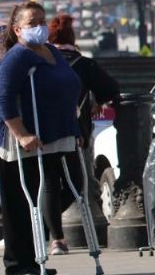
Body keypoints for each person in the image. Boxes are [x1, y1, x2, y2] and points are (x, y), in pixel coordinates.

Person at [0, 1, 82, 275]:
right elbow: (2, 99)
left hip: (47, 136)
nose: (39, 27)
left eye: (41, 20)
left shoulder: (50, 51)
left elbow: (68, 84)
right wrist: (21, 133)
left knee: (35, 199)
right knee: (17, 201)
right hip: (11, 140)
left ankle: (34, 259)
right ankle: (17, 263)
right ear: (17, 30)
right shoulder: (16, 57)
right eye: (32, 23)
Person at [43, 14, 120, 256]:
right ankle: (65, 226)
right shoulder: (84, 65)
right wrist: (95, 101)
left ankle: (56, 238)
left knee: (49, 185)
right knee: (78, 184)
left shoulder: (39, 63)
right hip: (76, 135)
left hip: (43, 134)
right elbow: (112, 89)